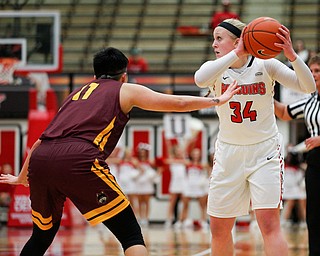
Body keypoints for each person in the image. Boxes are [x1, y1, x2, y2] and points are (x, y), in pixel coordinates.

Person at [0, 47, 240, 256]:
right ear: (124, 75)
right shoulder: (124, 90)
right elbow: (176, 103)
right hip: (78, 158)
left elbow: (39, 143)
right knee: (130, 236)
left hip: (41, 161)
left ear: (94, 75)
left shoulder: (74, 95)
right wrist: (217, 100)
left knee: (41, 237)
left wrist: (22, 178)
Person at [194, 18, 315, 256]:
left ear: (237, 40)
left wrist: (291, 55)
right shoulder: (217, 68)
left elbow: (308, 86)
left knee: (269, 224)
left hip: (265, 152)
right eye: (214, 39)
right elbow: (199, 79)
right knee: (219, 228)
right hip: (229, 153)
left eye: (219, 38)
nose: (214, 44)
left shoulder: (266, 65)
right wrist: (236, 52)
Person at [274, 54, 320, 256]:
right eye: (311, 70)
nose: (313, 74)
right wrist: (265, 96)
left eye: (317, 70)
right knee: (314, 216)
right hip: (316, 163)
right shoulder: (310, 101)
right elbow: (284, 113)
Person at [281, 149, 306, 229]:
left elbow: (300, 180)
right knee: (290, 202)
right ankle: (283, 220)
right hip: (287, 189)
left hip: (296, 188)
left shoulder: (300, 168)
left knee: (302, 202)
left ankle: (304, 221)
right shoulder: (285, 167)